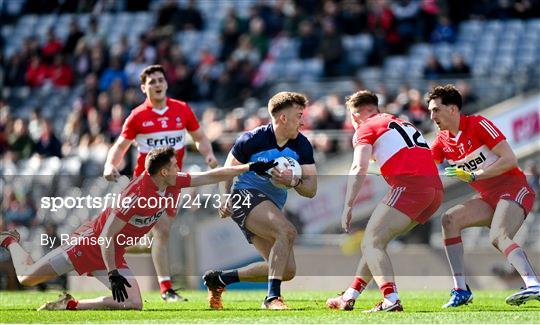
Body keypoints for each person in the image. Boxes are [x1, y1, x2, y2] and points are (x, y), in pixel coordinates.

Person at [0, 147, 276, 311]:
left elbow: (211, 175)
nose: (178, 169)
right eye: (174, 165)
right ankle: (11, 241)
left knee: (134, 304)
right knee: (26, 279)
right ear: (164, 172)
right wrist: (112, 273)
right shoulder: (136, 194)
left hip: (113, 252)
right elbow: (106, 235)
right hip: (89, 245)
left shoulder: (168, 182)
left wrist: (249, 166)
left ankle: (70, 304)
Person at [103, 64, 218, 302]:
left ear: (166, 83)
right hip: (144, 184)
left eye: (160, 80)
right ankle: (160, 282)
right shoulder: (137, 116)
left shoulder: (182, 110)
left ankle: (165, 287)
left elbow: (200, 137)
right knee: (158, 230)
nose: (157, 84)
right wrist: (109, 165)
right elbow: (120, 146)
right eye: (152, 81)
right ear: (144, 88)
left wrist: (208, 155)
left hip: (173, 182)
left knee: (162, 231)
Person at [326, 90, 443, 312]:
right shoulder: (402, 122)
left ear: (357, 114)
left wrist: (348, 205)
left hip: (411, 187)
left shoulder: (365, 127)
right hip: (435, 191)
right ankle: (350, 295)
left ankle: (391, 299)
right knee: (375, 241)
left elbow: (359, 167)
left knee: (371, 242)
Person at [202, 92, 317, 310]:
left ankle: (219, 280)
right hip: (244, 197)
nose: (303, 121)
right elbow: (227, 171)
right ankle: (272, 298)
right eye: (299, 115)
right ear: (283, 118)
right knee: (288, 231)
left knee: (286, 271)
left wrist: (292, 182)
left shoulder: (302, 145)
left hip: (270, 206)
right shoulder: (252, 138)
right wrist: (224, 196)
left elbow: (311, 189)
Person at [427, 84, 539, 308]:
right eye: (430, 111)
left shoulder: (478, 124)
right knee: (449, 219)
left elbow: (509, 159)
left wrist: (475, 175)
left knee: (498, 236)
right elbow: (427, 170)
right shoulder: (441, 141)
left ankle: (533, 284)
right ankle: (461, 290)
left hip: (515, 188)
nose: (432, 116)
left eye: (436, 110)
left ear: (452, 109)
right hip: (488, 197)